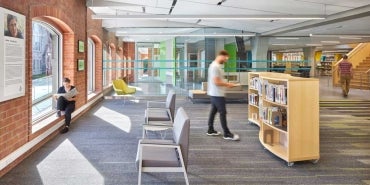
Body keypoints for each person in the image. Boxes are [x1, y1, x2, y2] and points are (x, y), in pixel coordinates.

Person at [207, 50, 240, 141]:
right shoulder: (215, 67)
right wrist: (228, 84)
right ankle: (227, 133)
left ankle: (210, 129)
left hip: (215, 93)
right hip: (217, 94)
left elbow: (217, 80)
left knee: (213, 111)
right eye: (225, 58)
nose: (226, 60)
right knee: (223, 112)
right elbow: (216, 82)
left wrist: (226, 84)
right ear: (221, 56)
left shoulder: (214, 65)